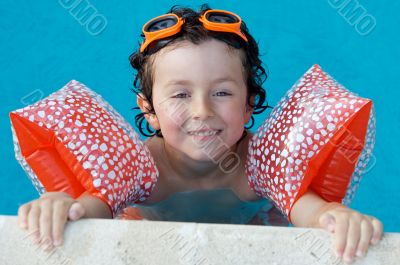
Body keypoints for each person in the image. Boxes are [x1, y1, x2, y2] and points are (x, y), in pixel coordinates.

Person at [17, 4, 383, 264]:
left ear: (248, 104)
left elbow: (311, 212)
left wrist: (334, 216)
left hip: (251, 243)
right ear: (150, 111)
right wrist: (66, 206)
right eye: (180, 95)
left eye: (222, 92)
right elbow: (91, 209)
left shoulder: (260, 167)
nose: (202, 111)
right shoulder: (140, 169)